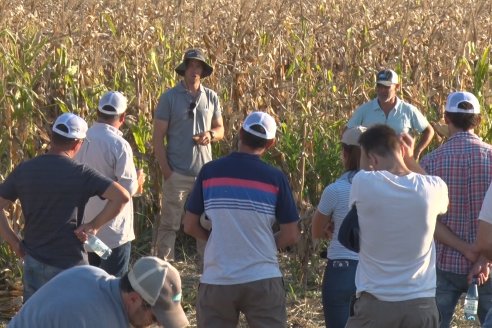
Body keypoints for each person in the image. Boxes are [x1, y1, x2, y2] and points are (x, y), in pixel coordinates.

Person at [183, 111, 300, 327]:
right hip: (263, 278)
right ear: (271, 143)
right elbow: (291, 234)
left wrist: (216, 239)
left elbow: (189, 225)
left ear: (239, 133)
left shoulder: (210, 172)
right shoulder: (276, 178)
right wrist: (264, 245)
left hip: (218, 279)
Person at [0, 113, 130, 301]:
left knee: (37, 317)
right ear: (77, 143)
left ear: (51, 137)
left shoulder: (25, 169)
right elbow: (122, 197)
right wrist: (94, 225)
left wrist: (15, 244)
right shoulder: (81, 174)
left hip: (34, 260)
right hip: (70, 263)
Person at [345, 124, 449, 328]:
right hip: (421, 305)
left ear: (372, 159)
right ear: (401, 150)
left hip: (375, 305)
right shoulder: (434, 188)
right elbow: (440, 201)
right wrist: (410, 159)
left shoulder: (363, 182)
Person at [419, 91, 492, 327]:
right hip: (487, 266)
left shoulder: (431, 162)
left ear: (446, 118)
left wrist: (465, 249)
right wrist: (482, 256)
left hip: (444, 264)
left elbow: (427, 220)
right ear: (478, 120)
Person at [152, 48, 224, 261]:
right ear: (184, 69)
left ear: (203, 71)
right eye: (191, 65)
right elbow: (157, 138)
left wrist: (210, 135)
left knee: (206, 223)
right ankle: (163, 271)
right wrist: (167, 172)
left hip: (204, 174)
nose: (195, 70)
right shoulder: (169, 98)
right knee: (169, 224)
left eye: (198, 66)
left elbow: (220, 129)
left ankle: (208, 269)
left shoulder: (211, 97)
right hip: (177, 173)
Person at [8, 256, 189, 328]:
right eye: (155, 318)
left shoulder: (90, 273)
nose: (155, 325)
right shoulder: (99, 320)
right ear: (134, 299)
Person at [76, 91, 145, 277]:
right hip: (113, 234)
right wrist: (138, 180)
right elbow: (127, 189)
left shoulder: (80, 140)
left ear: (97, 113)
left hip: (87, 234)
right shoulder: (119, 144)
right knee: (114, 288)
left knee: (93, 284)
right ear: (122, 117)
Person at [311, 126, 365, 328]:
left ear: (345, 153)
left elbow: (316, 231)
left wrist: (330, 230)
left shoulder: (335, 190)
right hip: (373, 271)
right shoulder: (383, 189)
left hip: (341, 269)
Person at [346, 68, 434, 159]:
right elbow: (347, 132)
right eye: (379, 86)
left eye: (387, 87)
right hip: (372, 168)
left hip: (400, 167)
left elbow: (428, 131)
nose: (382, 90)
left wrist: (416, 152)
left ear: (397, 87)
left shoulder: (408, 110)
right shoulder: (364, 110)